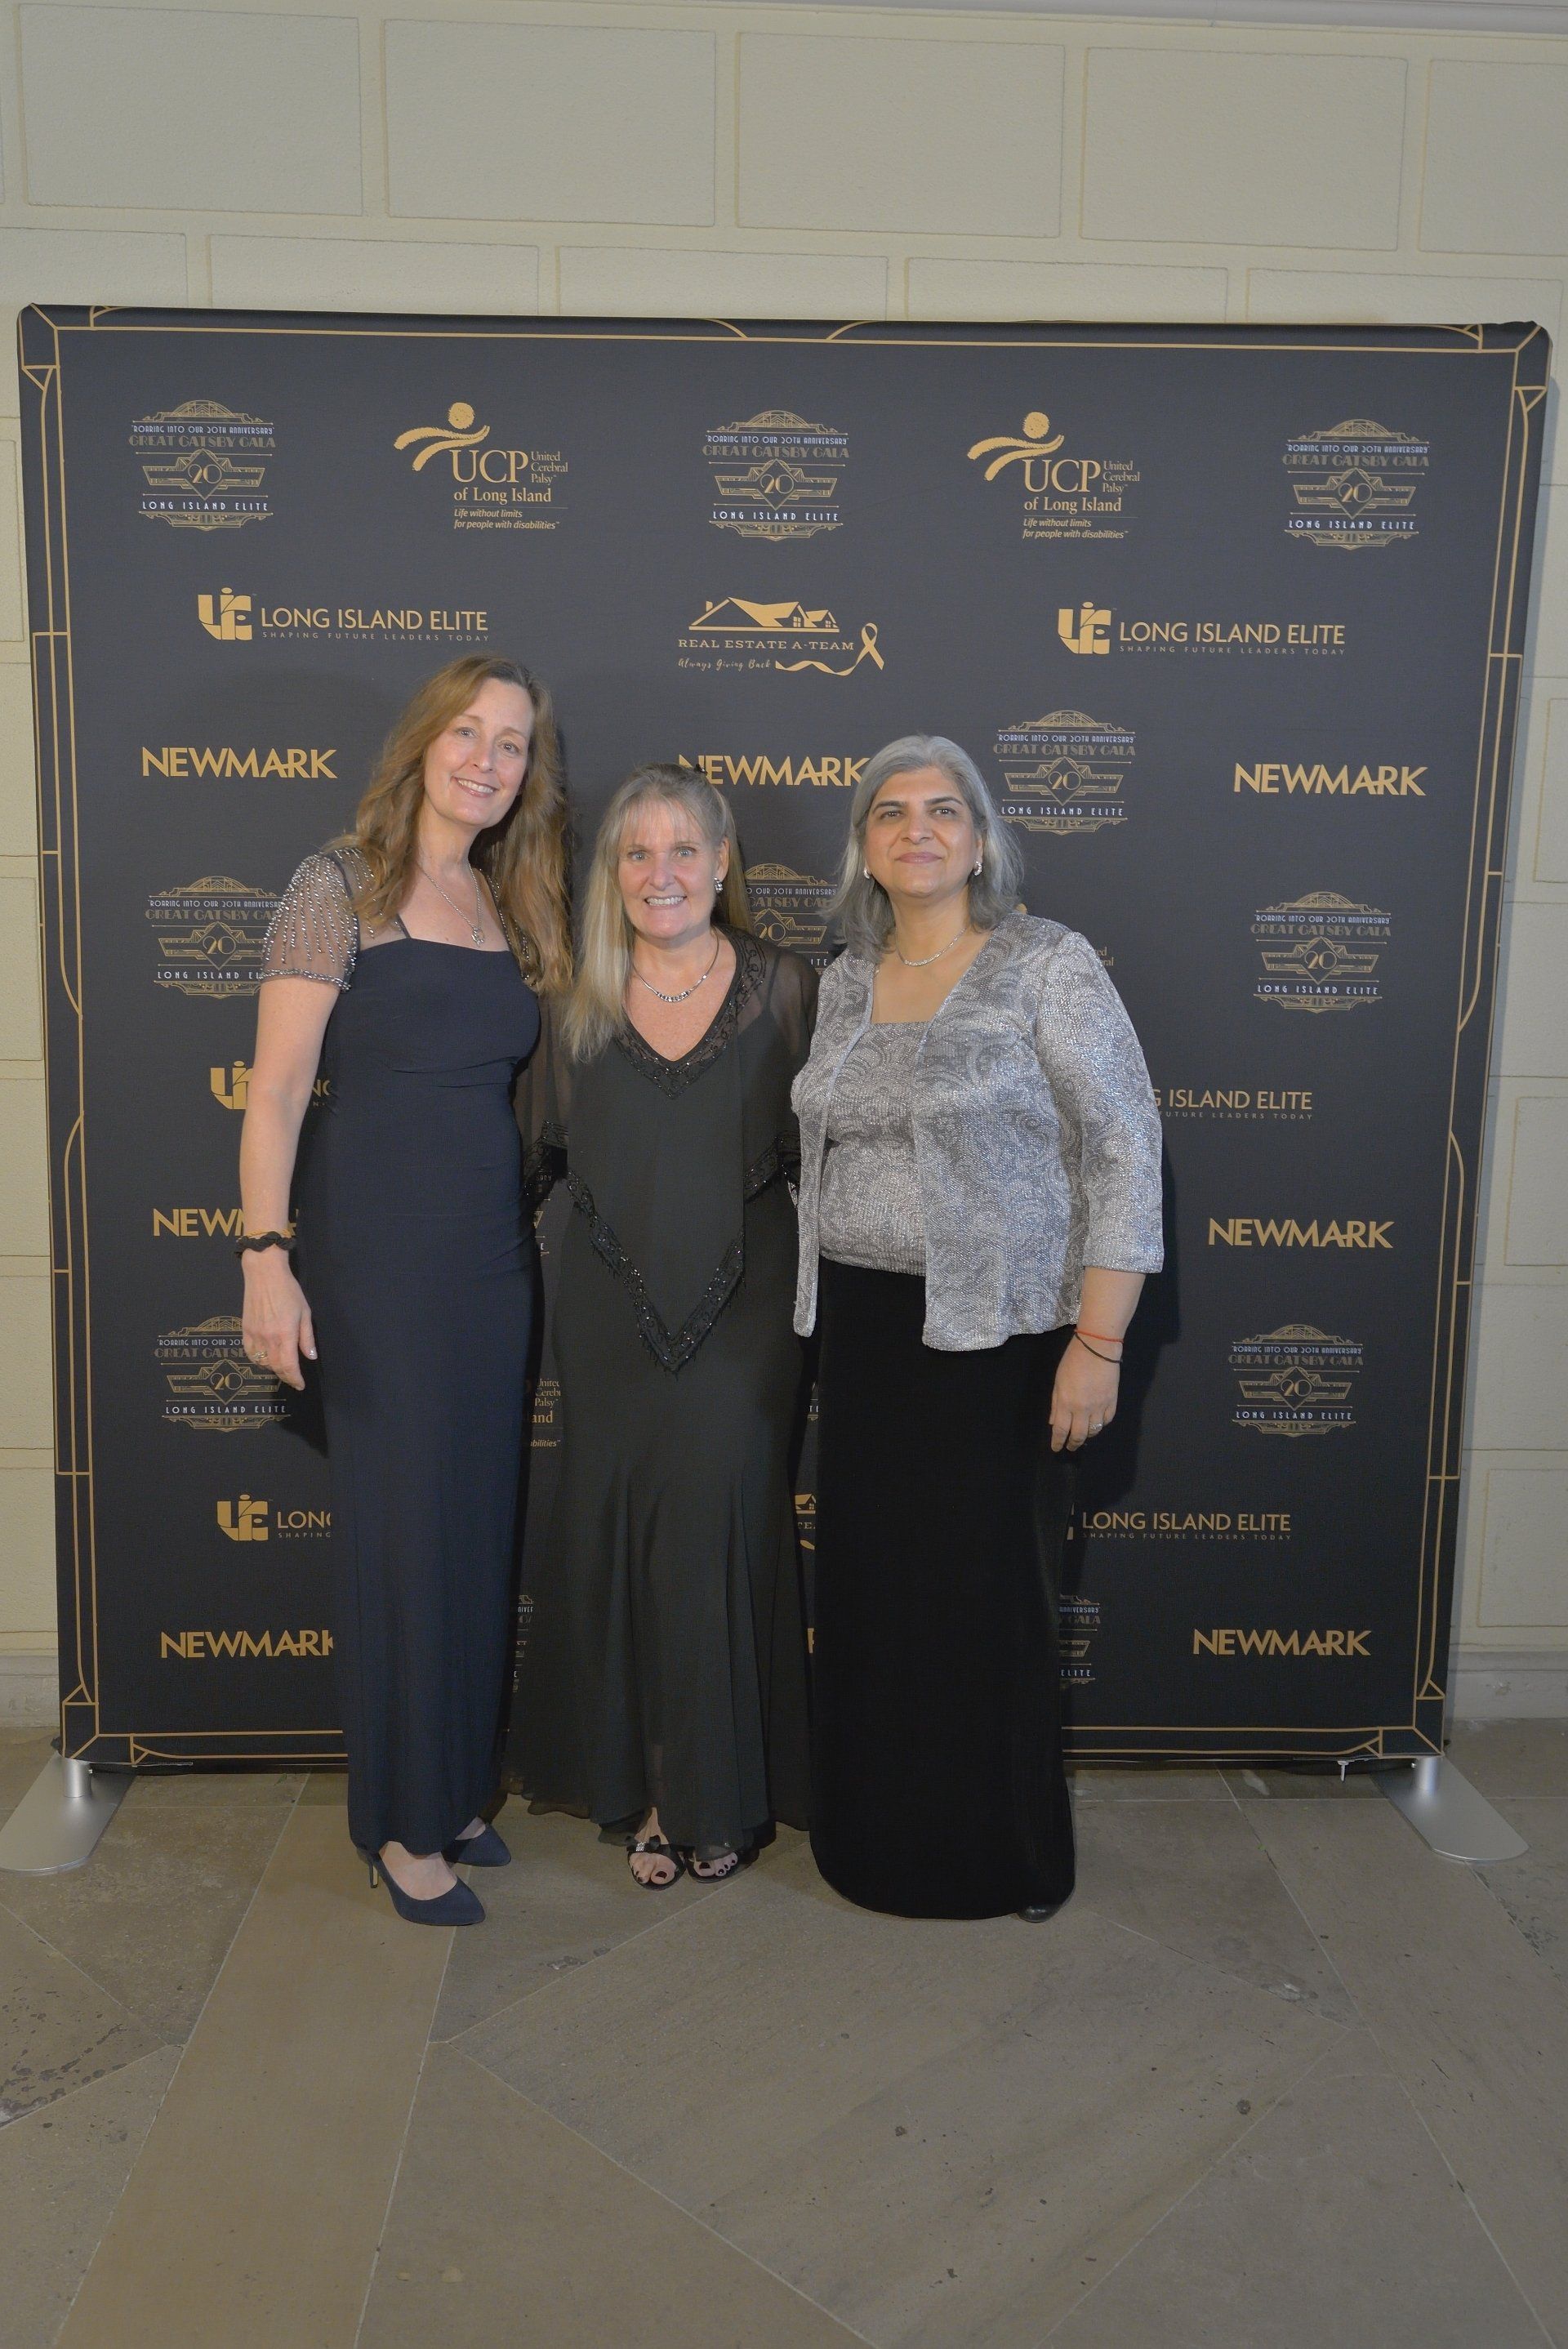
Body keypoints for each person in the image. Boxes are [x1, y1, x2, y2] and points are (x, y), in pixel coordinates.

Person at [791, 735, 1164, 1923]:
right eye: (890, 811)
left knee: (987, 1606)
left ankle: (1001, 1860)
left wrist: (1098, 1343)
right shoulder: (846, 976)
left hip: (1001, 1342)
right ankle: (872, 1845)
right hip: (865, 1335)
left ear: (981, 840)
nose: (918, 830)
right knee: (876, 1600)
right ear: (865, 847)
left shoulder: (1047, 964)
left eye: (944, 810)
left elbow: (1124, 1148)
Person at [238, 656, 571, 1925]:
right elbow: (276, 1091)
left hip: (492, 1264)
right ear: (424, 742)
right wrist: (265, 1257)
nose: (487, 759)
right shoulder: (340, 883)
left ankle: (455, 1787)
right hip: (376, 1262)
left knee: (475, 1527)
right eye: (468, 732)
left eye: (512, 743)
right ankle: (398, 1819)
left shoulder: (505, 900)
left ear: (529, 772)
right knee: (403, 1537)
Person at [513, 765, 816, 1888]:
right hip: (605, 1314)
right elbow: (526, 1161)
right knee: (622, 1535)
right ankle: (642, 1790)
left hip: (749, 1311)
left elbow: (838, 1154)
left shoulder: (790, 987)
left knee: (722, 1528)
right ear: (613, 871)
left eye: (684, 847)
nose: (661, 872)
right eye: (636, 852)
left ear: (723, 862)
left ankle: (718, 1792)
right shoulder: (570, 998)